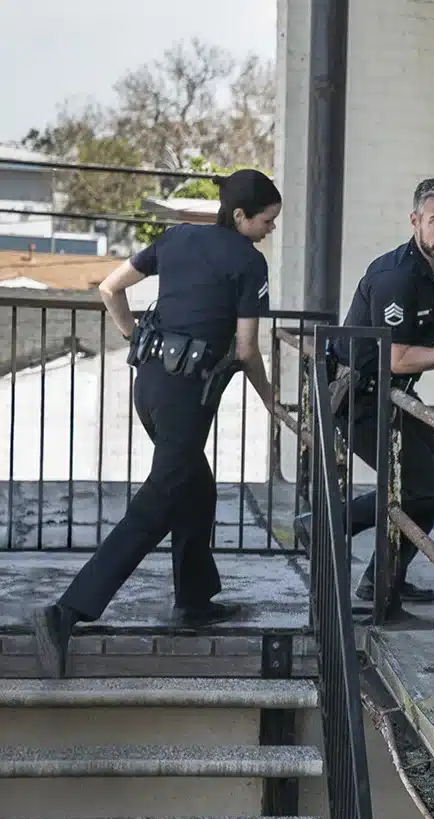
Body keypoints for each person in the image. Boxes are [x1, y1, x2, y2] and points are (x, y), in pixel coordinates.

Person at [30, 170, 284, 679]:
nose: (270, 230)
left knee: (195, 486)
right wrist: (272, 401)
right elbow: (246, 349)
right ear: (241, 216)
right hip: (187, 398)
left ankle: (194, 600)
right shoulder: (248, 262)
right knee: (157, 504)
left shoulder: (176, 238)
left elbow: (110, 288)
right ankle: (66, 613)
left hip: (149, 386)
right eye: (266, 221)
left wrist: (131, 334)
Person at [317, 177, 434, 604]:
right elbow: (397, 358)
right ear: (415, 221)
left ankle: (382, 578)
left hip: (395, 393)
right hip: (357, 395)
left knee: (430, 487)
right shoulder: (395, 276)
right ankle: (332, 527)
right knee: (419, 488)